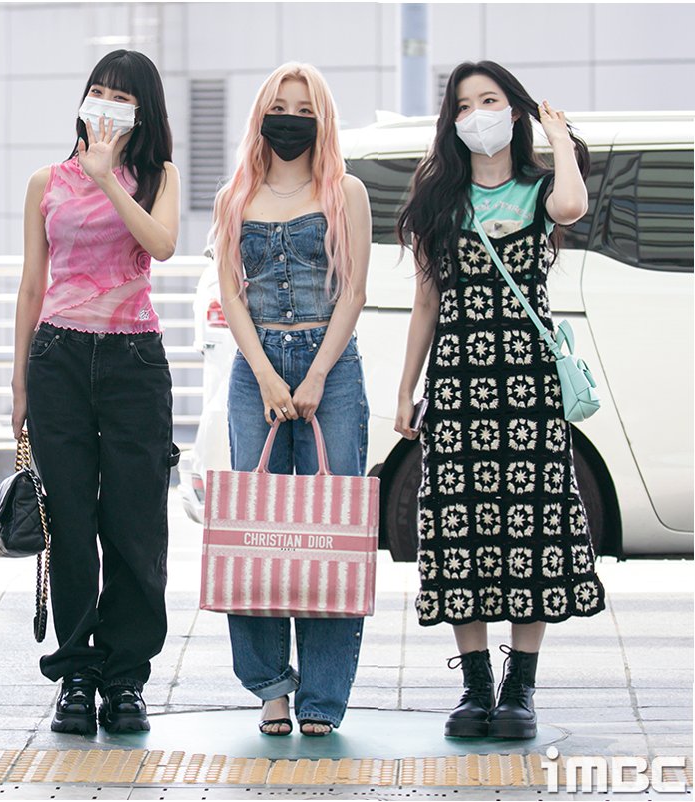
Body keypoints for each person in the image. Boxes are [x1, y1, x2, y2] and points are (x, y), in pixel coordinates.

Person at [393, 60, 606, 739]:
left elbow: (571, 207)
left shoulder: (540, 190)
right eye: (463, 106)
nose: (476, 115)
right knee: (460, 527)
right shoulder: (439, 198)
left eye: (489, 101)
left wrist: (559, 138)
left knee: (533, 527)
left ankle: (520, 690)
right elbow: (426, 303)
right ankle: (476, 685)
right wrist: (406, 389)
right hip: (457, 384)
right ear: (451, 122)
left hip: (529, 386)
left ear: (514, 112)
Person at [11, 49, 180, 734]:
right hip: (57, 355)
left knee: (135, 524)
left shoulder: (158, 175)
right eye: (98, 91)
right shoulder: (45, 181)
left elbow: (161, 245)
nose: (106, 104)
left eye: (122, 96)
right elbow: (32, 283)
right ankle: (77, 673)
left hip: (133, 359)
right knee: (71, 522)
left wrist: (109, 179)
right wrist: (19, 380)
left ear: (143, 111)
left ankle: (126, 675)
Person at [208, 63, 372, 737]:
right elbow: (231, 293)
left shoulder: (346, 191)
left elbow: (354, 291)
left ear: (322, 120)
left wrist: (315, 375)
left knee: (332, 530)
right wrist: (268, 376)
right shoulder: (234, 196)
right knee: (255, 527)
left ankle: (323, 697)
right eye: (281, 107)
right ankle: (270, 686)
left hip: (331, 366)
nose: (291, 119)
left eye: (305, 109)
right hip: (256, 370)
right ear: (261, 115)